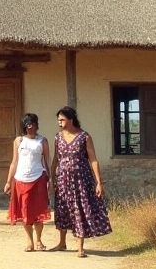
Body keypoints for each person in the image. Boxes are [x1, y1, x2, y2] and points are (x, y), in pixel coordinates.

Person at [48, 106, 111, 257]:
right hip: (63, 180)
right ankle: (62, 242)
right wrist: (51, 178)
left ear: (71, 119)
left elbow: (93, 160)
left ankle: (80, 247)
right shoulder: (58, 137)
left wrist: (98, 182)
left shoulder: (84, 137)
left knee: (79, 210)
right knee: (62, 209)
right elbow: (56, 159)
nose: (60, 122)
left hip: (81, 181)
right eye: (58, 120)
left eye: (62, 119)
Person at [3, 113, 51, 251]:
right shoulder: (19, 141)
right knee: (25, 211)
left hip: (38, 179)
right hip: (20, 179)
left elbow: (47, 161)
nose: (30, 127)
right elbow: (14, 162)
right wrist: (8, 181)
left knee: (38, 210)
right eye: (27, 124)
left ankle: (39, 240)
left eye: (32, 124)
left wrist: (50, 180)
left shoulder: (42, 141)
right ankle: (29, 241)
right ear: (24, 126)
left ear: (36, 125)